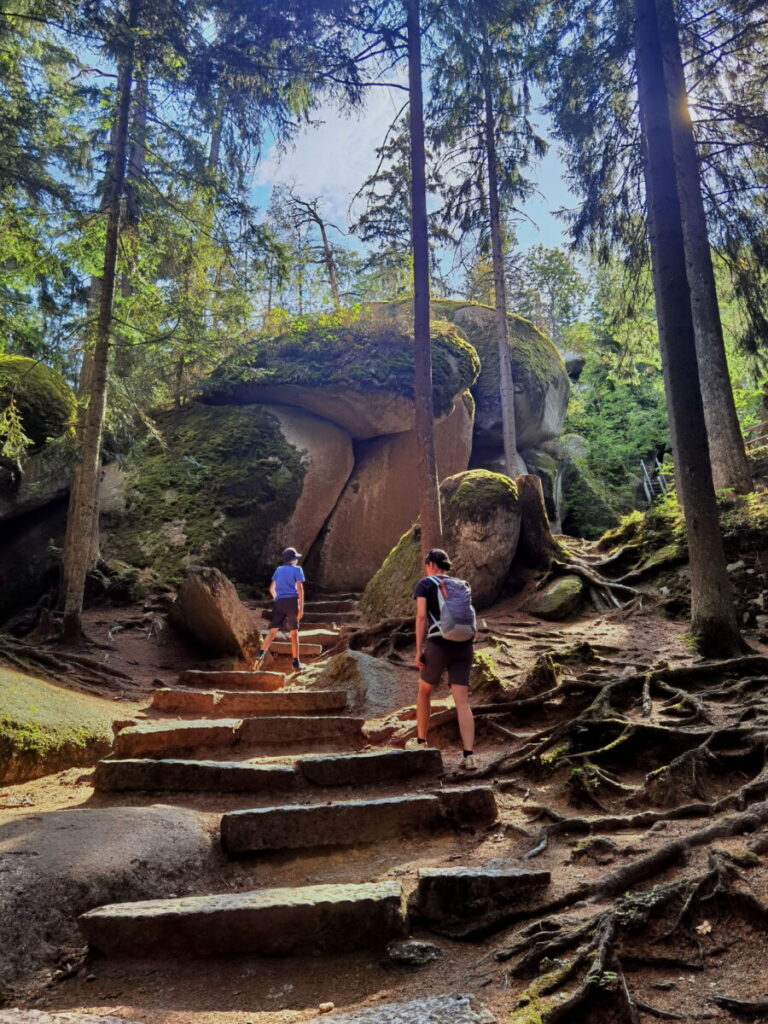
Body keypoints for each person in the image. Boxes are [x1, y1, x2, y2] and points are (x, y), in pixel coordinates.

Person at [408, 548, 477, 770]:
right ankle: (469, 755)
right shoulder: (461, 584)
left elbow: (420, 617)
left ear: (430, 564)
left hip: (439, 644)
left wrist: (419, 650)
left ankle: (421, 741)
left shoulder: (425, 584)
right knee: (462, 702)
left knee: (424, 690)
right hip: (464, 645)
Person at [254, 547, 305, 671]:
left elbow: (272, 588)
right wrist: (301, 607)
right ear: (293, 560)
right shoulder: (297, 569)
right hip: (292, 602)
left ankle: (260, 653)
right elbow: (300, 589)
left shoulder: (278, 570)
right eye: (296, 558)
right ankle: (296, 663)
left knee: (272, 632)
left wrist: (278, 599)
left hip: (279, 602)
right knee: (294, 634)